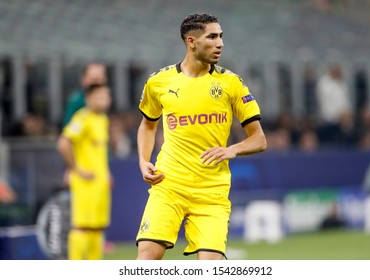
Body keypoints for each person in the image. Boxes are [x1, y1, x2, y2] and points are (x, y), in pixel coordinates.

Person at [136, 13, 267, 260]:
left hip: (212, 191)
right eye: (212, 37)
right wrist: (143, 160)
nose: (220, 43)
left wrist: (232, 149)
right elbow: (147, 125)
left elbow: (259, 139)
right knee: (145, 262)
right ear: (191, 42)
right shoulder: (158, 82)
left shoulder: (231, 83)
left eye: (221, 37)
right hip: (169, 184)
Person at [57, 84, 112, 260]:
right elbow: (64, 143)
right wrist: (76, 169)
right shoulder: (82, 118)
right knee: (81, 226)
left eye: (107, 96)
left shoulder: (102, 119)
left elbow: (99, 153)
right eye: (100, 97)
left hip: (99, 182)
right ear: (88, 99)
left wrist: (107, 174)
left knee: (97, 226)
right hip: (85, 183)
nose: (105, 100)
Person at [62, 63, 107, 128]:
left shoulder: (104, 106)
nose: (97, 84)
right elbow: (69, 130)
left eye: (100, 79)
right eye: (94, 79)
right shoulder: (76, 101)